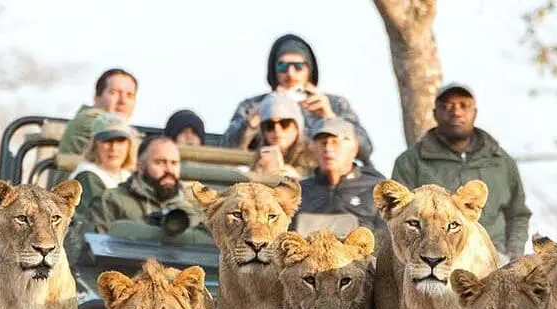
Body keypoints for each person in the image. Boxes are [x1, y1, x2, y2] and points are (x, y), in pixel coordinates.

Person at [391, 83, 532, 257]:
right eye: (447, 106)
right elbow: (395, 216)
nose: (456, 112)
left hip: (493, 255)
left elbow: (518, 214)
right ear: (435, 113)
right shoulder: (411, 162)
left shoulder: (500, 161)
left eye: (464, 105)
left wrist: (513, 254)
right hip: (434, 257)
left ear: (475, 112)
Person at [223, 34, 372, 162]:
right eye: (282, 66)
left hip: (320, 185)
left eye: (298, 67)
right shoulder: (253, 105)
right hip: (267, 184)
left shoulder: (334, 104)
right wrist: (252, 123)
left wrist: (330, 118)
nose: (290, 74)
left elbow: (365, 150)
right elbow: (225, 150)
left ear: (310, 69)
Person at [70, 136, 211, 250]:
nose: (169, 170)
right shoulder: (111, 201)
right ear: (141, 167)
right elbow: (88, 252)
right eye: (160, 162)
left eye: (174, 163)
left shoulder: (194, 209)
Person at [296, 118, 385, 236]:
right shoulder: (299, 192)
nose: (328, 149)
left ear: (354, 148)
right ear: (312, 149)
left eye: (335, 142)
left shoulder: (376, 190)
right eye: (322, 142)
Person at [69, 115, 138, 225]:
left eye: (120, 141)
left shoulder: (128, 176)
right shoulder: (87, 177)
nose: (114, 148)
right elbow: (96, 221)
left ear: (129, 146)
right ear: (94, 145)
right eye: (107, 141)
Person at [59, 68, 138, 155]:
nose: (123, 101)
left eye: (130, 95)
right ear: (97, 97)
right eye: (114, 93)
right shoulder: (92, 122)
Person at [247, 93, 311, 182]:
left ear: (296, 128)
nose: (277, 130)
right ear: (263, 131)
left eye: (284, 123)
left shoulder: (313, 153)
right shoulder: (260, 155)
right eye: (269, 125)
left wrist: (289, 174)